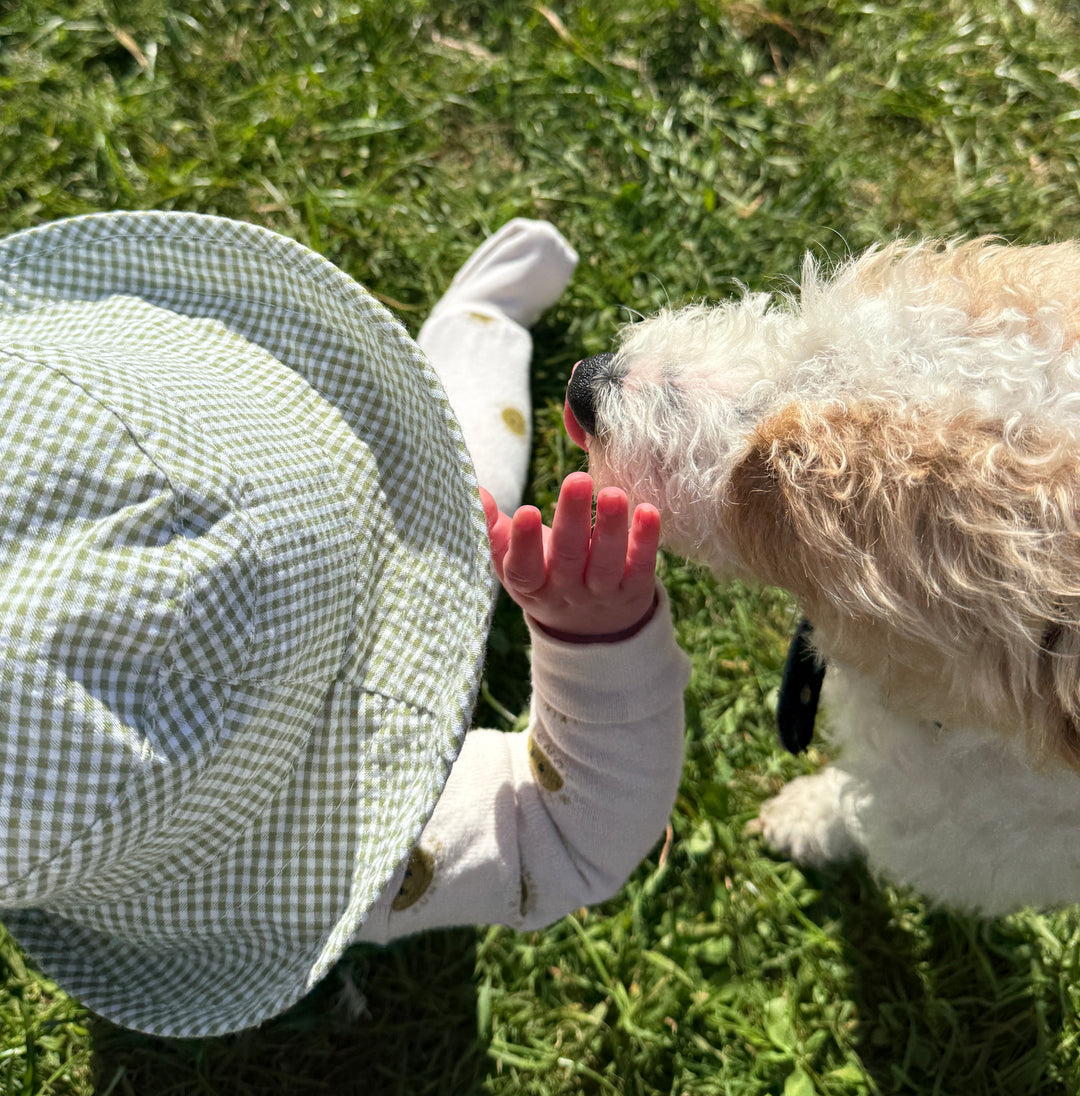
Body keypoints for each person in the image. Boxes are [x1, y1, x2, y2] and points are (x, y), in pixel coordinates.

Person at [0, 211, 689, 1038]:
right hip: (262, 766)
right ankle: (471, 347)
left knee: (463, 511)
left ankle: (465, 364)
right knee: (467, 509)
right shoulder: (300, 865)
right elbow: (567, 837)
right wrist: (597, 647)